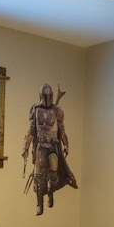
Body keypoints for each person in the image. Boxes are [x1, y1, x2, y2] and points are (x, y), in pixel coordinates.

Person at [23, 83, 77, 215]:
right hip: (41, 146)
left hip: (53, 146)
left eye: (49, 95)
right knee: (38, 176)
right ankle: (39, 203)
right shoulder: (35, 110)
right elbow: (32, 131)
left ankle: (50, 193)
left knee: (53, 174)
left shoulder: (57, 111)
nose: (47, 97)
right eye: (45, 95)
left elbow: (62, 131)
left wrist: (66, 145)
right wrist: (26, 147)